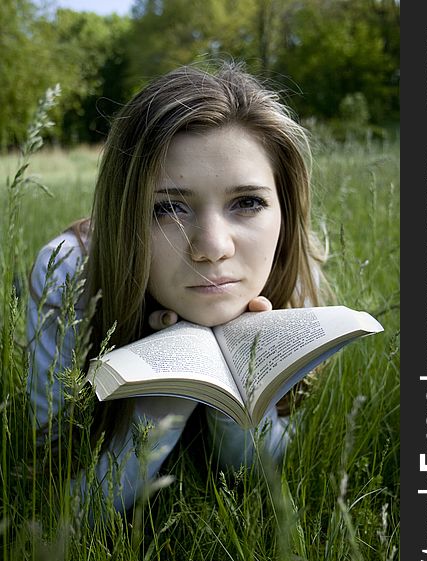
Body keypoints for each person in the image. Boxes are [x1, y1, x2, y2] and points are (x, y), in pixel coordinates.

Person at [27, 62, 331, 515]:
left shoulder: (284, 270)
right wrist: (159, 404)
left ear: (283, 212)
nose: (212, 248)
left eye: (247, 203)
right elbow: (57, 504)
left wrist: (238, 397)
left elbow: (254, 474)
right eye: (169, 208)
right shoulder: (67, 273)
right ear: (125, 216)